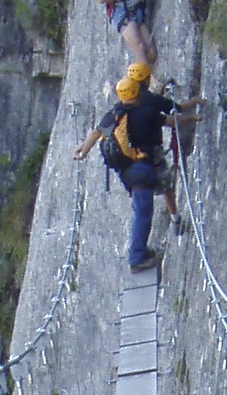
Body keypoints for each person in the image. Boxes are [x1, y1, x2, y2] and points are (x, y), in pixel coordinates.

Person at [74, 60, 197, 272]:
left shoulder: (115, 112)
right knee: (142, 213)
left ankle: (143, 249)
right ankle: (137, 259)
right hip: (142, 168)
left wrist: (82, 151)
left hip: (125, 170)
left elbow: (96, 132)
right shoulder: (145, 113)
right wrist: (196, 116)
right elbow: (173, 121)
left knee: (147, 203)